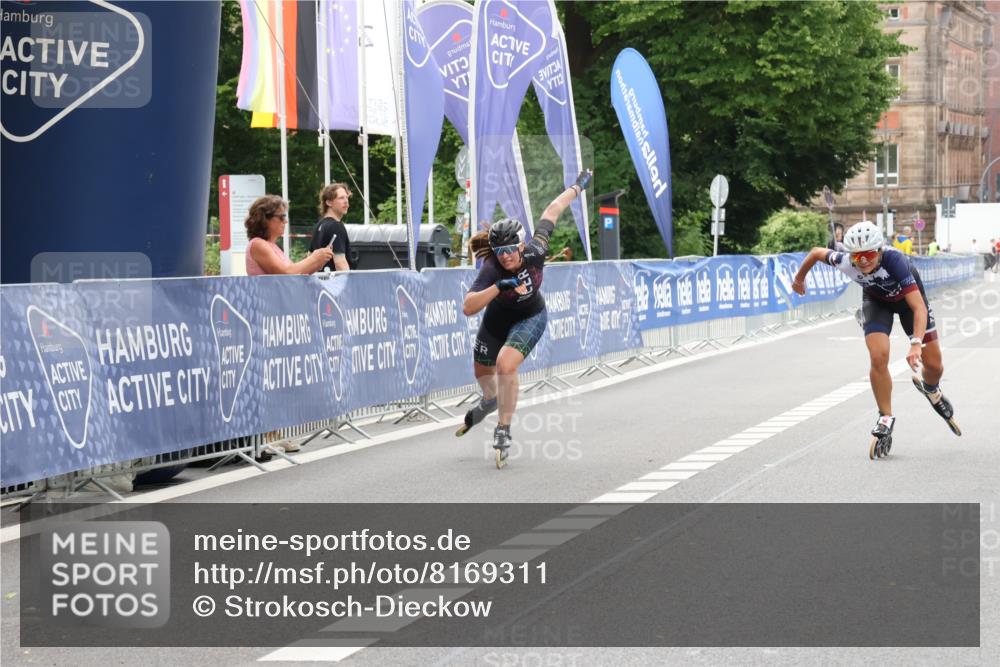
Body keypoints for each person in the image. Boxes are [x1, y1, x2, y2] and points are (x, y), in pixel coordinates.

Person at [457, 169, 592, 468]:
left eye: (509, 250)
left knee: (506, 365)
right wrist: (497, 286)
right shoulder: (492, 268)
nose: (505, 256)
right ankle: (489, 400)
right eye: (499, 251)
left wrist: (577, 187)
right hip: (496, 320)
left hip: (530, 316)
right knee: (483, 373)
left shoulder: (536, 251)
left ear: (520, 245)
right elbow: (468, 307)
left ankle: (503, 428)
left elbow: (553, 210)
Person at [791, 220, 960, 458]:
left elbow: (919, 309)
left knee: (934, 365)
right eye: (857, 257)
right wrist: (799, 279)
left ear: (879, 251)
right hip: (877, 302)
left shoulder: (895, 261)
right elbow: (816, 253)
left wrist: (915, 344)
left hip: (910, 304)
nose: (864, 261)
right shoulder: (844, 261)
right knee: (878, 356)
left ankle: (932, 390)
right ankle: (885, 416)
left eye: (869, 254)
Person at [245, 195, 333, 276]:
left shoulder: (271, 246)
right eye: (282, 217)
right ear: (264, 218)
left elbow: (296, 273)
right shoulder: (258, 244)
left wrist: (318, 262)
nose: (286, 221)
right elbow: (285, 273)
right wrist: (314, 258)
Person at [309, 183, 352, 272]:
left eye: (346, 197)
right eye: (341, 198)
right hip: (333, 283)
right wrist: (350, 285)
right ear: (328, 202)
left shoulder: (319, 225)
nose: (346, 201)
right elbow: (340, 263)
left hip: (319, 283)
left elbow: (309, 258)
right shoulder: (336, 226)